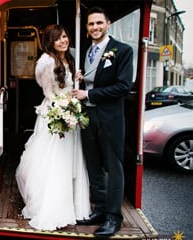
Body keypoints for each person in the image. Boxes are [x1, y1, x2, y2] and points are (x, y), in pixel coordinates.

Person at [15, 24, 90, 231]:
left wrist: (75, 81)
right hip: (55, 113)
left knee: (68, 158)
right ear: (50, 41)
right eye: (58, 38)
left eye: (65, 36)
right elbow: (48, 92)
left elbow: (65, 85)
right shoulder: (46, 61)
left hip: (69, 111)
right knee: (54, 159)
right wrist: (62, 109)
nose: (63, 41)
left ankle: (71, 205)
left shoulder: (68, 58)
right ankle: (52, 207)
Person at [72, 6, 133, 237]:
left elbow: (123, 86)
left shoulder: (122, 50)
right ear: (86, 28)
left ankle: (113, 218)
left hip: (110, 119)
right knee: (94, 165)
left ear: (108, 24)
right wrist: (83, 80)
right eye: (91, 24)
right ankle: (99, 208)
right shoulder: (87, 52)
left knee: (114, 168)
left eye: (99, 23)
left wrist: (89, 94)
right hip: (88, 117)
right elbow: (93, 79)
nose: (95, 27)